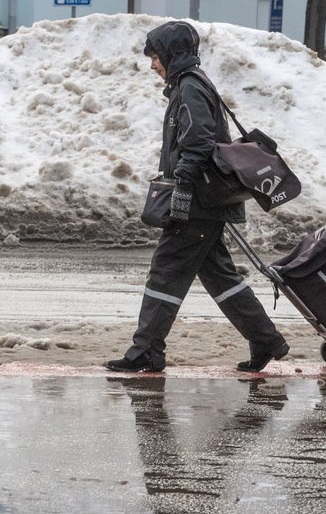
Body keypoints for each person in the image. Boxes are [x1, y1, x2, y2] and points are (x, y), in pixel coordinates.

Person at [106, 20, 291, 374]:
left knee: (165, 273)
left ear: (171, 55)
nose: (152, 65)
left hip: (197, 204)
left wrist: (181, 193)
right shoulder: (190, 85)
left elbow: (199, 144)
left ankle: (146, 350)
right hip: (206, 203)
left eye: (155, 57)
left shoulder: (189, 88)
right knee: (221, 277)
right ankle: (266, 339)